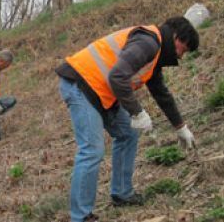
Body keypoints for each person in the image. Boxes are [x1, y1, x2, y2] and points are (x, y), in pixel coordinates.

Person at [55, 16, 199, 222]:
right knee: (92, 150)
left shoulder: (155, 54)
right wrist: (137, 112)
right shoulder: (148, 43)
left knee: (128, 133)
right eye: (183, 48)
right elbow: (117, 76)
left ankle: (122, 193)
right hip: (81, 85)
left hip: (100, 91)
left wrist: (180, 127)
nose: (181, 55)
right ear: (176, 36)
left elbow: (161, 93)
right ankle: (80, 216)